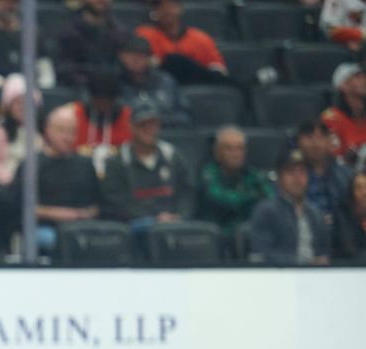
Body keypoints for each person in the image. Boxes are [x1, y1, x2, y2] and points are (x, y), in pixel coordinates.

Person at [100, 97, 195, 243]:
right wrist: (155, 219)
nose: (148, 130)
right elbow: (118, 203)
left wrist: (180, 216)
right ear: (131, 126)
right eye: (142, 125)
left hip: (174, 224)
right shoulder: (117, 162)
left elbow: (187, 192)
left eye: (153, 124)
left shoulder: (173, 155)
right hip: (135, 228)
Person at [17, 104, 101, 255]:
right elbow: (22, 207)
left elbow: (96, 204)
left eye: (72, 132)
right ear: (48, 130)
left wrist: (86, 214)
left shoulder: (85, 164)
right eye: (61, 130)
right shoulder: (32, 165)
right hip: (45, 227)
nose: (67, 137)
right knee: (55, 240)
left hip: (83, 226)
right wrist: (62, 214)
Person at [0, 73, 39, 259]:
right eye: (18, 103)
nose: (23, 108)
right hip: (2, 187)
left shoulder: (39, 132)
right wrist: (10, 179)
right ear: (8, 106)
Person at [248, 147, 331, 263]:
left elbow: (324, 253)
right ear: (279, 178)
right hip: (279, 277)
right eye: (290, 172)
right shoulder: (266, 212)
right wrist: (302, 263)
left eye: (302, 172)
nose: (297, 178)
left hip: (316, 277)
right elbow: (260, 256)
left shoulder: (315, 214)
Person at [195, 125, 272, 245]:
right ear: (217, 152)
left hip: (248, 239)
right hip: (213, 241)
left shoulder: (253, 175)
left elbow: (269, 201)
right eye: (229, 149)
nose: (235, 154)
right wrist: (252, 197)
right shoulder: (207, 174)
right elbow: (225, 201)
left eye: (240, 148)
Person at [0, 0, 55, 92]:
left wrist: (44, 87)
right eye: (4, 2)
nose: (9, 6)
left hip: (30, 90)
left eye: (14, 2)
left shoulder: (32, 31)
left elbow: (44, 64)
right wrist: (2, 84)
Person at [135, 0, 227, 84]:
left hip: (196, 84)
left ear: (180, 7)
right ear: (154, 11)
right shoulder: (144, 34)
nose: (166, 9)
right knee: (173, 61)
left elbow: (219, 70)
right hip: (160, 87)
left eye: (171, 4)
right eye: (160, 6)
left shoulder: (200, 38)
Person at [117, 35, 190, 127]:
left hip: (165, 134)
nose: (136, 60)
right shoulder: (114, 83)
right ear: (122, 57)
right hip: (127, 136)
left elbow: (184, 115)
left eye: (141, 56)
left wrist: (154, 122)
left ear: (149, 58)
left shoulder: (166, 81)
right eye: (131, 56)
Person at [70, 69, 131, 174]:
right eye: (99, 101)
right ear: (90, 98)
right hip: (78, 172)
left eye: (107, 102)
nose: (103, 106)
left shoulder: (129, 118)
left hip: (116, 174)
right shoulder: (72, 114)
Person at [57, 0, 127, 89]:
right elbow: (66, 69)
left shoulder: (120, 32)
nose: (101, 1)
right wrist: (94, 85)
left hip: (115, 92)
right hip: (80, 90)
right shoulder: (70, 33)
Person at [296, 118, 352, 226]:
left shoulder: (347, 175)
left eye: (321, 137)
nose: (316, 144)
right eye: (309, 137)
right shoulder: (290, 177)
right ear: (298, 141)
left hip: (342, 235)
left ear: (329, 141)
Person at [321, 62, 366, 160]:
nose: (364, 80)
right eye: (357, 77)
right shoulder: (331, 119)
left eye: (364, 76)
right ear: (343, 85)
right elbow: (334, 161)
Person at [332, 169, 366, 256]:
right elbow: (350, 251)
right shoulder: (342, 217)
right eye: (359, 188)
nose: (364, 193)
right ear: (351, 192)